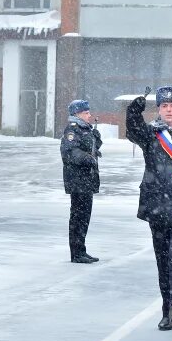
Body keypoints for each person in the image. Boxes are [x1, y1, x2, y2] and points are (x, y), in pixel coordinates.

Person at [126, 86, 172, 331]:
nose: (169, 110)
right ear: (158, 110)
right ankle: (167, 308)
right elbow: (134, 130)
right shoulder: (152, 135)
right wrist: (134, 111)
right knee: (163, 261)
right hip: (158, 206)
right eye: (164, 106)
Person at [60, 99, 102, 264]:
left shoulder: (86, 129)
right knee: (78, 217)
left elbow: (91, 147)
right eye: (86, 112)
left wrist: (97, 140)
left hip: (87, 180)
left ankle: (81, 250)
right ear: (77, 114)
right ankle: (76, 253)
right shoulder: (72, 130)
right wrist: (88, 159)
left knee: (84, 217)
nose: (89, 115)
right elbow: (69, 153)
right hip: (77, 180)